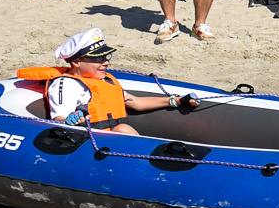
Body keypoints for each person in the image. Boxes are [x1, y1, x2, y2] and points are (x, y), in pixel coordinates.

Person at [17, 28, 195, 136]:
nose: (106, 62)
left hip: (115, 139)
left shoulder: (104, 80)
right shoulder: (67, 84)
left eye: (106, 57)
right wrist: (70, 121)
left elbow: (137, 103)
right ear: (76, 61)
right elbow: (59, 119)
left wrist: (175, 100)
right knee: (123, 129)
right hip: (90, 144)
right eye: (98, 59)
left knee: (123, 129)